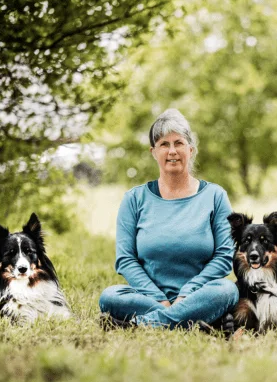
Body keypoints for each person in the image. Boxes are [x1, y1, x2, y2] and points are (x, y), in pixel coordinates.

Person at [99, 109, 239, 330]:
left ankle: (141, 325)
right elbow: (125, 259)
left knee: (227, 291)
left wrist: (186, 295)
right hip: (149, 297)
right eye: (164, 144)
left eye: (179, 143)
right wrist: (161, 299)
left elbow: (224, 255)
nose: (172, 151)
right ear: (153, 152)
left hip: (202, 294)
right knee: (110, 297)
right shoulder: (134, 199)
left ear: (191, 150)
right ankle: (198, 321)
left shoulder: (215, 196)